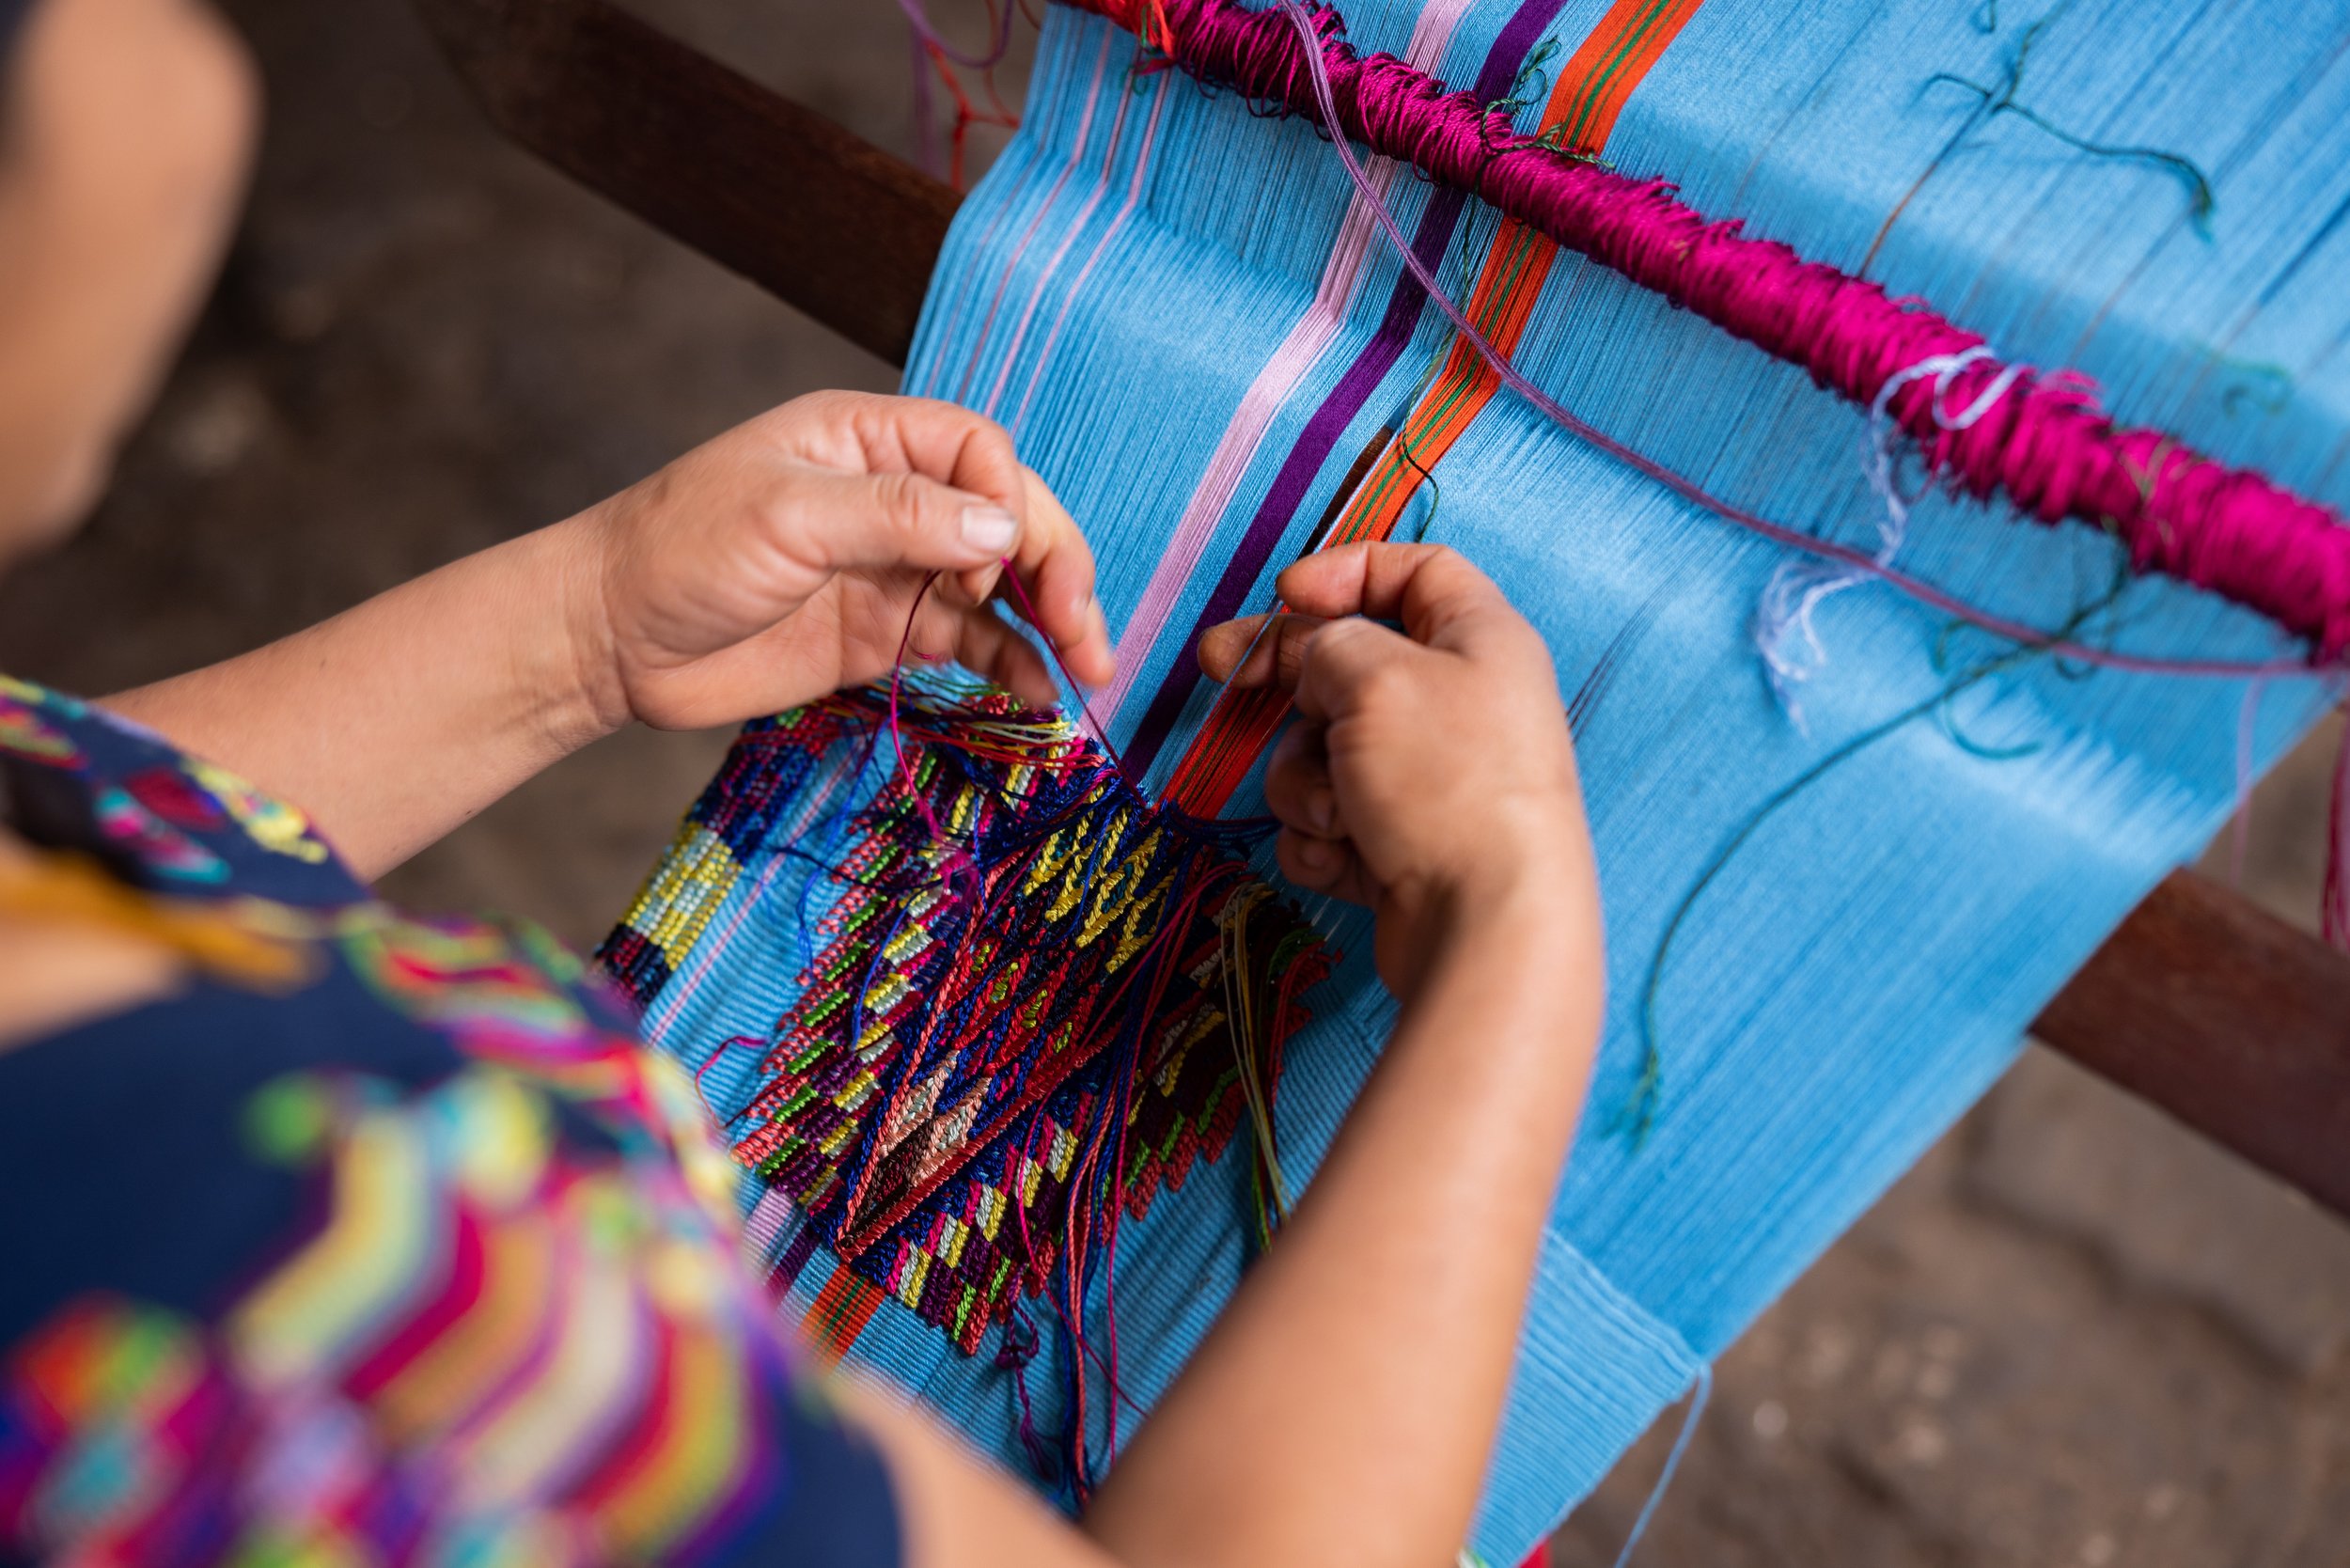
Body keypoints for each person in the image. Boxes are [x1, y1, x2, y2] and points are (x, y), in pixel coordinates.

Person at [0, 2, 1606, 1564]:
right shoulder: (335, 1296)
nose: (183, 70)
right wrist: (1512, 942)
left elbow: (73, 835)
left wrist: (583, 625)